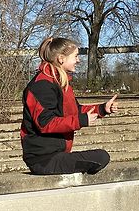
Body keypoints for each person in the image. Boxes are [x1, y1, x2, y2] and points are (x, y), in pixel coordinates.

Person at [20, 37, 119, 175]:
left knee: (100, 157)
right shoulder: (41, 85)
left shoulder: (60, 83)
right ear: (61, 58)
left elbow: (75, 110)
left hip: (56, 154)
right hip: (42, 159)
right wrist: (80, 121)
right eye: (75, 56)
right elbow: (46, 123)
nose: (78, 60)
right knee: (101, 157)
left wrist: (102, 109)